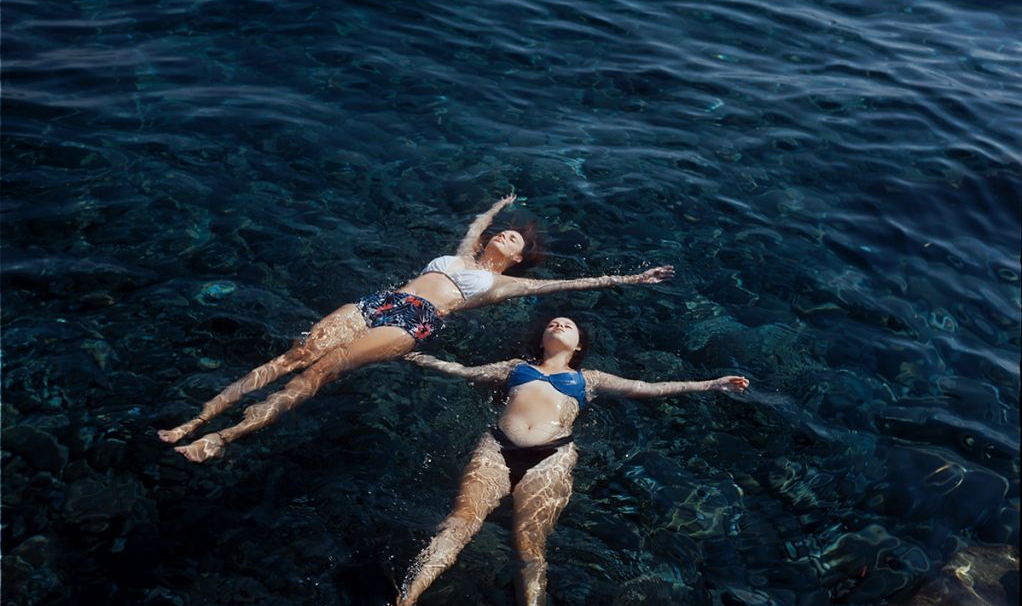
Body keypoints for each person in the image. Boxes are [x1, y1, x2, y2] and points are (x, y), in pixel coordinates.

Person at [385, 316, 750, 606]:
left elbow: (650, 387)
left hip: (552, 458)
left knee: (528, 550)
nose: (558, 324)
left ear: (578, 346)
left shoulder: (589, 379)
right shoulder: (514, 369)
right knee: (460, 522)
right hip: (495, 447)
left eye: (568, 325)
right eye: (553, 323)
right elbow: (460, 371)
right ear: (541, 338)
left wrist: (712, 384)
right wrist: (415, 357)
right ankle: (408, 599)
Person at [158, 196, 674, 462]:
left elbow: (577, 282)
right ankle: (196, 420)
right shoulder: (462, 252)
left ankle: (224, 437)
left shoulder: (500, 286)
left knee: (322, 370)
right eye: (504, 230)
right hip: (381, 300)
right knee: (295, 354)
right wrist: (495, 206)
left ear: (517, 259)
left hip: (415, 321)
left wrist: (630, 278)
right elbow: (475, 226)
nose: (503, 235)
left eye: (512, 237)